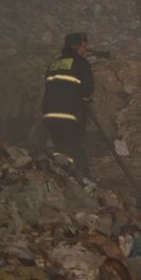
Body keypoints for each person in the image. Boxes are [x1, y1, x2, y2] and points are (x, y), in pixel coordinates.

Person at [41, 31, 95, 177]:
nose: (85, 50)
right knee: (72, 147)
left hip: (48, 114)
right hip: (67, 113)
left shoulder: (53, 64)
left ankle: (61, 174)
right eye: (83, 46)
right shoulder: (80, 62)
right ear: (77, 47)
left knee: (60, 146)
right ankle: (79, 179)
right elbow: (88, 88)